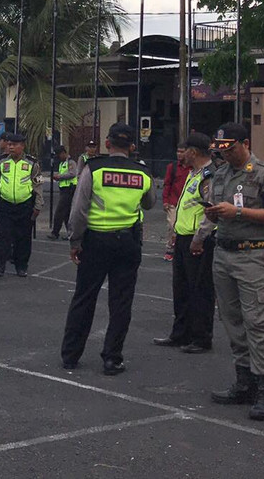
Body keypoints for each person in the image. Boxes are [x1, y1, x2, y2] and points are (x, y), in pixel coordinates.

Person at [196, 122, 264, 421]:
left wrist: (238, 211)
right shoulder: (220, 174)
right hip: (224, 253)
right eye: (221, 150)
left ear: (246, 144)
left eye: (231, 149)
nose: (225, 154)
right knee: (232, 320)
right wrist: (212, 215)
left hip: (254, 254)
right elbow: (216, 209)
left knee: (257, 323)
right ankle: (244, 380)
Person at [60, 123, 156, 374]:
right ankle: (112, 358)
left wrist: (75, 241)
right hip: (128, 242)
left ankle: (70, 355)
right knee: (121, 302)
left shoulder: (94, 168)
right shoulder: (142, 172)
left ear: (107, 143)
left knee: (84, 297)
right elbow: (149, 203)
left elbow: (78, 210)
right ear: (132, 146)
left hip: (96, 241)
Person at [154, 132, 215, 353]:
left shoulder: (208, 176)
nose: (181, 154)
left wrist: (199, 238)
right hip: (183, 237)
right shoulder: (193, 173)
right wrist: (177, 232)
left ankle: (201, 338)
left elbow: (211, 212)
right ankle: (180, 333)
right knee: (181, 289)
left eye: (185, 150)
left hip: (198, 240)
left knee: (200, 290)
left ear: (194, 152)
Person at [0, 132, 43, 278]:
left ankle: (21, 266)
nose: (11, 147)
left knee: (23, 237)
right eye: (9, 144)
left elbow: (37, 185)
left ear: (22, 146)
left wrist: (38, 205)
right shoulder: (1, 161)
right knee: (4, 235)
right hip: (6, 204)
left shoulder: (32, 163)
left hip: (25, 205)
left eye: (14, 145)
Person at [161, 155, 193, 261]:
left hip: (187, 203)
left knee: (185, 226)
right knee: (172, 225)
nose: (179, 154)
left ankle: (182, 248)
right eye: (178, 151)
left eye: (182, 152)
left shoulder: (193, 168)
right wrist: (165, 200)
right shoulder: (172, 167)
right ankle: (170, 248)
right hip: (173, 201)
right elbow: (167, 184)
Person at [48, 146, 79, 240]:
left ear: (63, 153)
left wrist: (59, 176)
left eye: (59, 155)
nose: (58, 157)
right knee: (66, 214)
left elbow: (72, 174)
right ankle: (70, 233)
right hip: (63, 190)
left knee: (59, 212)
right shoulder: (62, 163)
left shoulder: (71, 162)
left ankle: (55, 233)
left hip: (69, 189)